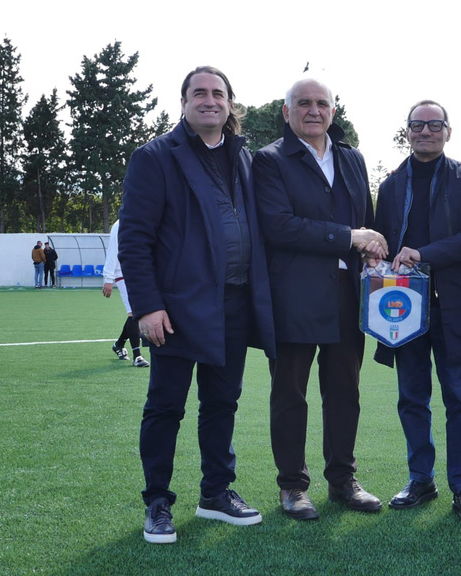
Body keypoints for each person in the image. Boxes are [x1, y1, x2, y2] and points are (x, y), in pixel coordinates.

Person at [118, 66, 277, 543]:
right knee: (166, 407)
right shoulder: (154, 157)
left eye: (218, 93)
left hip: (234, 304)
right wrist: (147, 307)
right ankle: (157, 502)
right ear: (184, 102)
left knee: (222, 403)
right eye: (199, 93)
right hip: (177, 309)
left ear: (230, 103)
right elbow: (134, 239)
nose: (209, 100)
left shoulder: (244, 157)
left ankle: (215, 494)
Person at [254, 78, 388, 521]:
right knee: (289, 394)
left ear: (333, 110)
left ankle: (343, 480)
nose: (314, 110)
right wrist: (351, 237)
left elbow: (365, 222)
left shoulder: (352, 158)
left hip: (347, 296)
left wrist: (369, 251)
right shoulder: (270, 159)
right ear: (287, 111)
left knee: (345, 391)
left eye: (322, 104)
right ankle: (292, 485)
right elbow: (279, 226)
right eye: (303, 103)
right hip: (293, 296)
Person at [372, 100, 461, 523]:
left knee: (460, 398)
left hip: (456, 306)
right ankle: (421, 478)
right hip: (404, 309)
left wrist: (424, 254)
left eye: (434, 124)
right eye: (417, 125)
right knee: (412, 397)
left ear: (448, 131)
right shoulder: (390, 185)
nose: (425, 131)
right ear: (407, 132)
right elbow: (381, 242)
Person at [103, 219, 148, 367]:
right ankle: (137, 356)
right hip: (123, 272)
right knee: (134, 313)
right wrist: (108, 278)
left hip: (139, 273)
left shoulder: (143, 220)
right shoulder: (120, 224)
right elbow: (113, 251)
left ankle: (119, 344)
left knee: (136, 312)